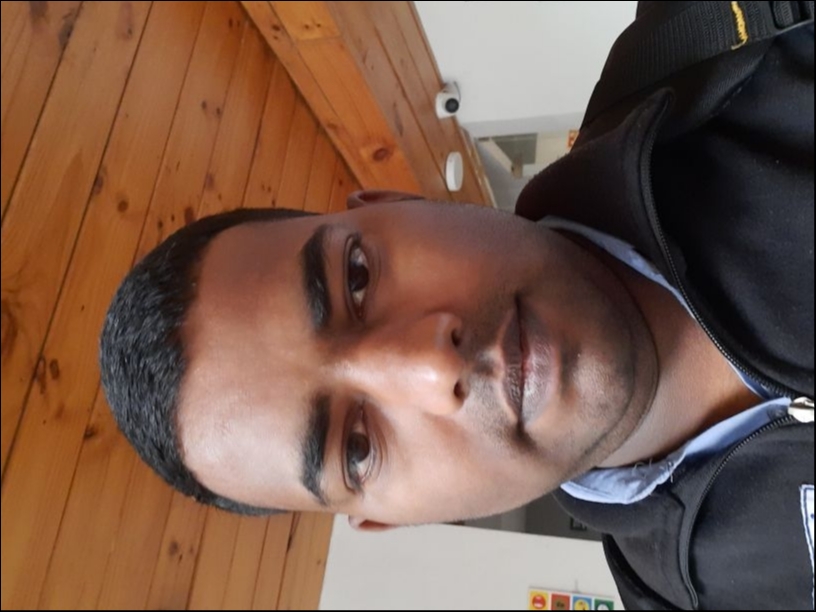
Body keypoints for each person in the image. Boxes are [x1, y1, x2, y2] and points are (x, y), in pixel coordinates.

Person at [100, 2, 814, 609]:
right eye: (356, 448)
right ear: (392, 520)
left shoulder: (735, 35)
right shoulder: (700, 597)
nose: (430, 367)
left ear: (396, 202)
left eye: (356, 278)